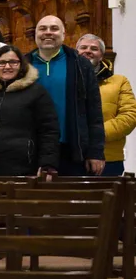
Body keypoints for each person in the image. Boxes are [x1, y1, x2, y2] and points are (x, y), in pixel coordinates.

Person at [0, 45, 60, 176]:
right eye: (2, 63)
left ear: (21, 65)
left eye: (13, 62)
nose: (7, 67)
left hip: (24, 167)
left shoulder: (36, 92)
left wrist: (47, 163)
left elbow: (49, 131)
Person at [27, 16, 105, 176]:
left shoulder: (80, 64)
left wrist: (95, 152)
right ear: (35, 34)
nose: (48, 32)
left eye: (54, 29)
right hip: (32, 149)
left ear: (63, 34)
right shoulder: (23, 63)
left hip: (72, 147)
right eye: (43, 28)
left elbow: (94, 111)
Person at [77, 33, 136, 177]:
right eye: (83, 47)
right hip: (72, 158)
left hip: (108, 158)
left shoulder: (119, 81)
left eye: (94, 48)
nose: (88, 51)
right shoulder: (65, 79)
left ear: (102, 55)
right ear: (75, 53)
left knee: (108, 199)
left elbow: (130, 117)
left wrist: (96, 134)